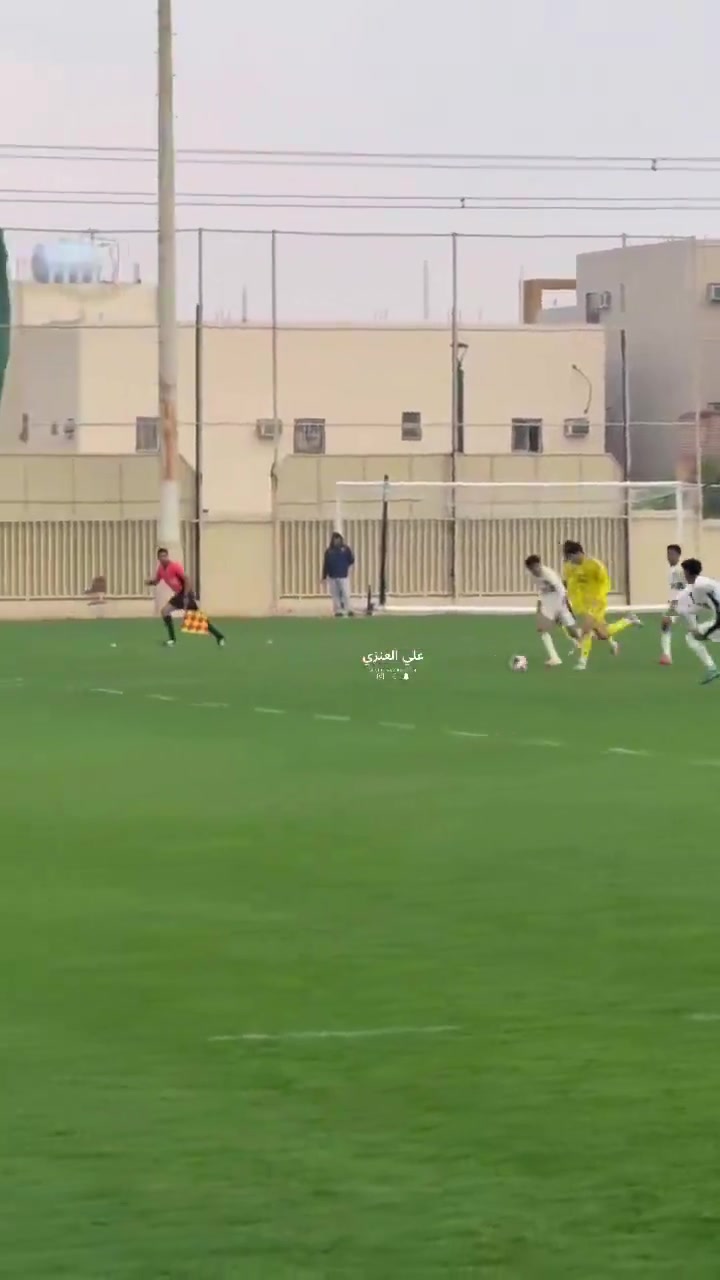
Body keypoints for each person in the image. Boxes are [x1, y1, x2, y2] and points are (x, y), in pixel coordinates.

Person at [562, 540, 641, 671]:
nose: (570, 560)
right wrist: (567, 598)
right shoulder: (569, 566)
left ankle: (582, 661)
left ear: (579, 553)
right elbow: (567, 583)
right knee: (603, 634)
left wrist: (597, 599)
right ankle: (628, 620)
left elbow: (605, 583)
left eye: (571, 557)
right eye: (568, 558)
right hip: (581, 605)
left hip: (596, 603)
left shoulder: (595, 565)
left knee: (586, 628)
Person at [146, 548, 225, 647]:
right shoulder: (161, 569)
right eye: (161, 556)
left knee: (198, 619)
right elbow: (157, 581)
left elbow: (187, 579)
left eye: (165, 556)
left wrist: (186, 596)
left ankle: (220, 637)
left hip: (185, 593)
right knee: (165, 611)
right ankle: (172, 640)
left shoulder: (174, 566)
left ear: (167, 556)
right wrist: (150, 582)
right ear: (158, 558)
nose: (164, 558)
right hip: (178, 595)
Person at [524, 555, 581, 666]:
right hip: (547, 602)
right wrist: (540, 604)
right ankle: (554, 658)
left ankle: (583, 640)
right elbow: (541, 589)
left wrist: (559, 611)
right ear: (529, 569)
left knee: (572, 631)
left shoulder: (549, 575)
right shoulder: (530, 575)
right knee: (542, 629)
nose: (536, 569)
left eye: (537, 566)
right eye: (533, 568)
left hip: (560, 601)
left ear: (540, 564)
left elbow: (562, 591)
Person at [675, 557, 720, 685]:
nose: (683, 575)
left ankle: (711, 668)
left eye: (684, 572)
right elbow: (706, 605)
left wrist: (704, 634)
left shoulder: (699, 587)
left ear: (687, 572)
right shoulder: (706, 583)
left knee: (692, 637)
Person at [660, 543, 686, 666]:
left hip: (681, 603)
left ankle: (667, 655)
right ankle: (666, 655)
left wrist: (674, 605)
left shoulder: (679, 570)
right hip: (675, 603)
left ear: (678, 555)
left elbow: (684, 588)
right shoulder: (672, 570)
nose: (669, 556)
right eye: (668, 553)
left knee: (666, 623)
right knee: (665, 624)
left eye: (672, 554)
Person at [322, 531, 355, 617]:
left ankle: (348, 609)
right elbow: (326, 564)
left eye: (338, 539)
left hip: (343, 576)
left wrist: (344, 566)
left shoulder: (346, 549)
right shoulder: (329, 551)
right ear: (332, 540)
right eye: (335, 539)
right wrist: (324, 576)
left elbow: (351, 560)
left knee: (346, 593)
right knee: (335, 594)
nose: (336, 541)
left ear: (341, 540)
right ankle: (338, 610)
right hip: (332, 576)